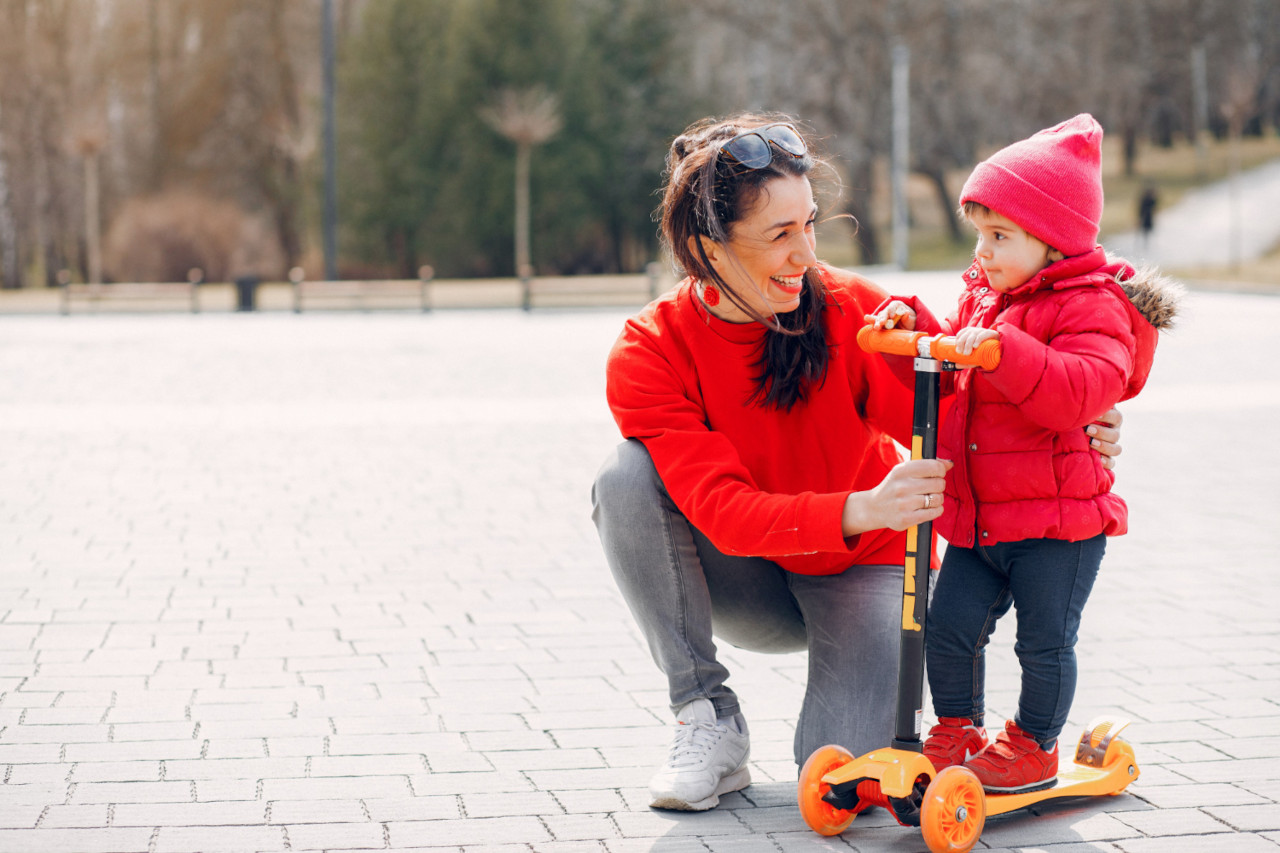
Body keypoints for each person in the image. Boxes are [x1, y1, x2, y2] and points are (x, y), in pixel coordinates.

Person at [590, 113, 1124, 812]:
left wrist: (1079, 414)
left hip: (865, 564)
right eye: (780, 235)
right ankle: (706, 716)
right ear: (708, 249)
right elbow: (721, 509)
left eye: (809, 223)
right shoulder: (651, 350)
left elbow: (979, 404)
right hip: (746, 573)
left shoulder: (856, 312)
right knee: (624, 477)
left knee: (842, 775)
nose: (806, 255)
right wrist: (865, 504)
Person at [869, 114, 1180, 794]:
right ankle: (957, 728)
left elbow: (1082, 388)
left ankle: (1034, 744)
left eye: (999, 236)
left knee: (1043, 641)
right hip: (981, 517)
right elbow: (953, 365)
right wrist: (918, 330)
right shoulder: (987, 296)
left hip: (1058, 523)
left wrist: (1008, 351)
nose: (982, 251)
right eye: (980, 234)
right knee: (947, 624)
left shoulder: (1090, 305)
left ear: (1054, 240)